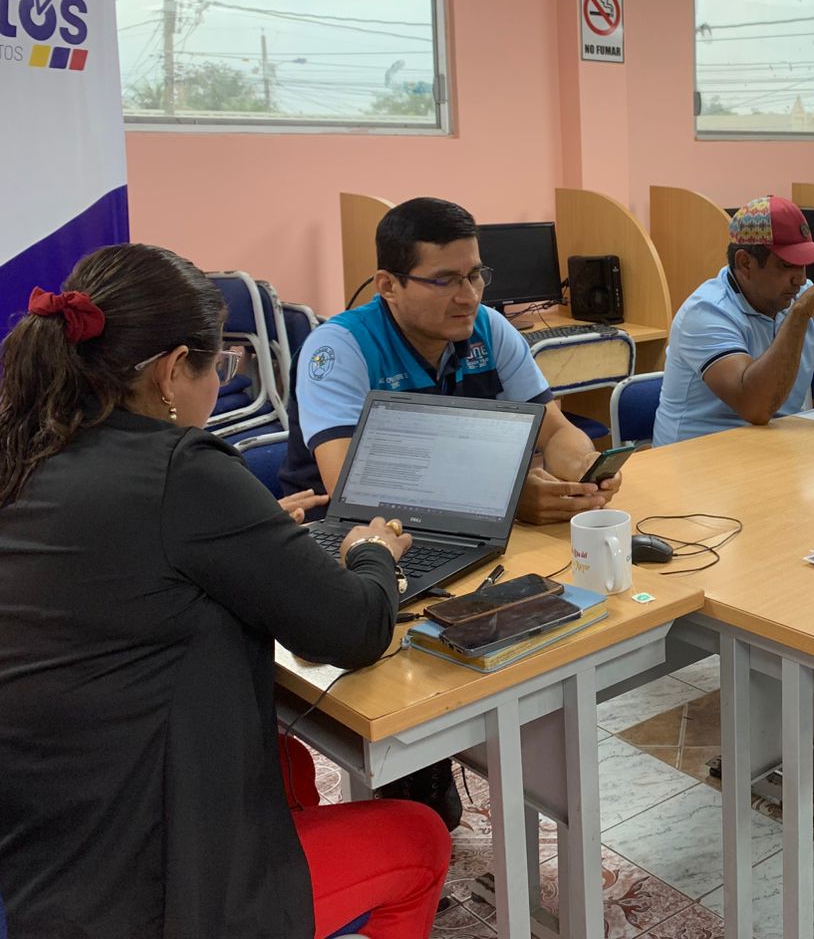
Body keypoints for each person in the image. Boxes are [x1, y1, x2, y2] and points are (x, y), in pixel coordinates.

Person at [0, 245, 450, 938]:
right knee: (419, 839)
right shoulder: (180, 469)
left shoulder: (28, 445)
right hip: (143, 889)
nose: (220, 382)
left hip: (45, 831)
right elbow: (353, 630)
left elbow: (134, 563)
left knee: (289, 764)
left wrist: (254, 534)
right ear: (173, 369)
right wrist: (371, 554)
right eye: (222, 366)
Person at [280, 195, 619, 826]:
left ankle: (459, 753)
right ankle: (414, 774)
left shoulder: (488, 328)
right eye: (445, 280)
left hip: (467, 531)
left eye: (476, 275)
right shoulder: (340, 347)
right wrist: (514, 496)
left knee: (534, 636)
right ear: (388, 285)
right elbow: (354, 487)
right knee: (405, 671)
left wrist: (584, 474)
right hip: (352, 542)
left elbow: (555, 428)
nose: (469, 297)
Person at [653, 194, 814, 445]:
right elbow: (755, 407)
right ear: (745, 263)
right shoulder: (706, 312)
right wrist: (799, 316)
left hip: (771, 447)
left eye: (804, 265)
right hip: (699, 456)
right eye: (787, 265)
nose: (800, 279)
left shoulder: (801, 296)